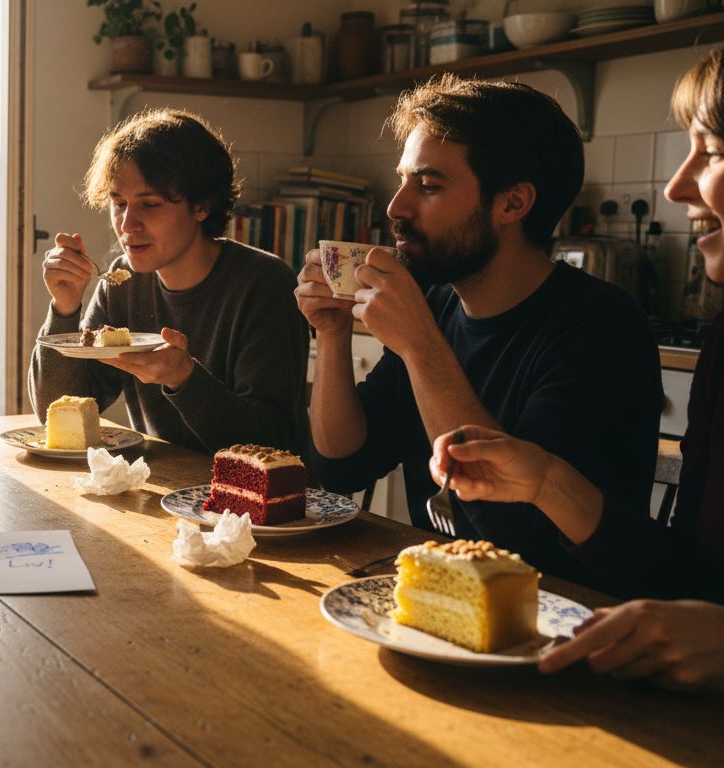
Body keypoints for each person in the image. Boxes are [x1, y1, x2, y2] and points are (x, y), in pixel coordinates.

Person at [427, 48, 724, 693]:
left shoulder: (595, 325)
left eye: (714, 151)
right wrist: (547, 480)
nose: (675, 188)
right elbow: (689, 584)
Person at [296, 74, 663, 588]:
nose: (396, 207)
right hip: (442, 598)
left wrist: (421, 346)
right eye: (402, 180)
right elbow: (342, 469)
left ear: (512, 204)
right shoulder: (439, 305)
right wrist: (332, 335)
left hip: (557, 620)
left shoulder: (601, 330)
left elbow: (518, 538)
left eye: (428, 186)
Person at [28, 108, 308, 454]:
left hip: (260, 500)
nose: (128, 225)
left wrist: (185, 379)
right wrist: (64, 308)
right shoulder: (122, 283)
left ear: (201, 206)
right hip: (165, 488)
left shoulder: (265, 284)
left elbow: (271, 441)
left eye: (150, 205)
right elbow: (55, 415)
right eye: (119, 203)